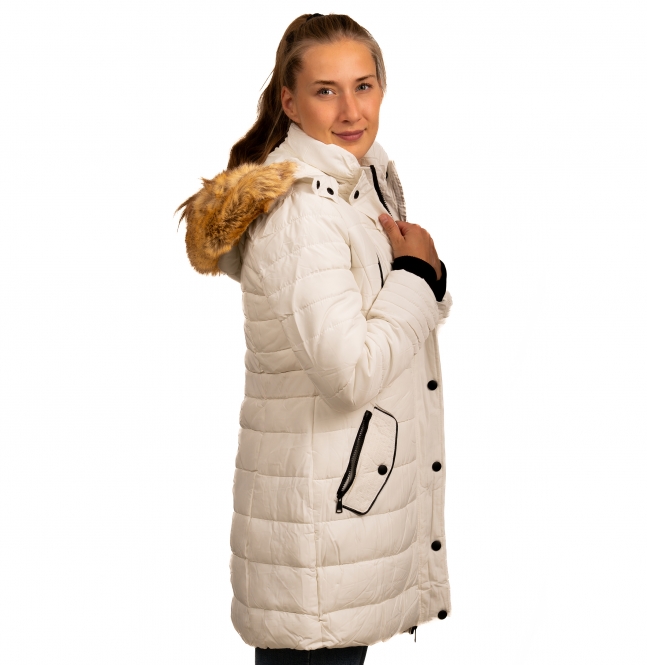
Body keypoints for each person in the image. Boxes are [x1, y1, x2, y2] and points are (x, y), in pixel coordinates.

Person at [177, 13, 452, 665]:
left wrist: (425, 276)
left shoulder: (361, 182)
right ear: (290, 101)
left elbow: (399, 317)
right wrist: (418, 274)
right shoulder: (304, 209)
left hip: (343, 516)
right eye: (326, 90)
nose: (351, 110)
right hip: (320, 533)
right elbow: (350, 373)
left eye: (363, 86)